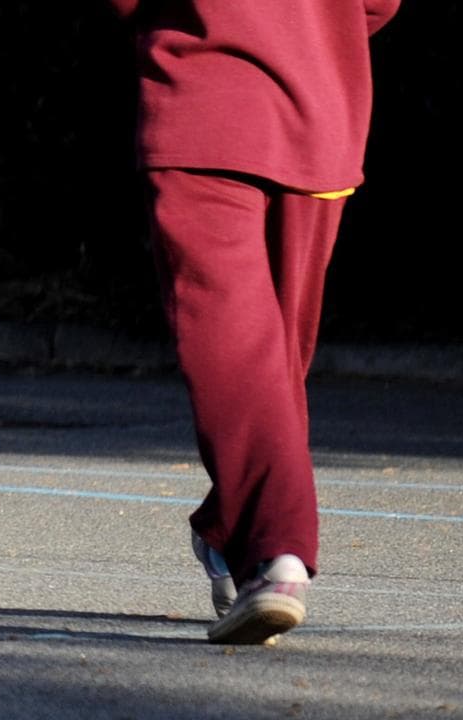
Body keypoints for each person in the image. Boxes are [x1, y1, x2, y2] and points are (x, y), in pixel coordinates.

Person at [106, 0, 402, 643]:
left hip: (209, 95)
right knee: (272, 355)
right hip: (320, 95)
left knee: (240, 344)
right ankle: (236, 535)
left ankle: (276, 553)